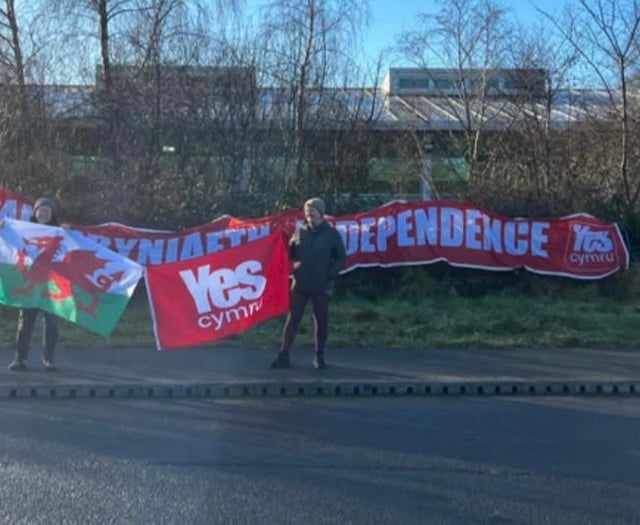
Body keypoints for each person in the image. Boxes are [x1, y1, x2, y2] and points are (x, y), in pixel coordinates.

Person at [271, 197, 347, 370]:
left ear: (320, 213)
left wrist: (329, 274)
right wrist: (281, 241)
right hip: (301, 282)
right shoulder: (300, 232)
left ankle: (319, 356)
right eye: (307, 211)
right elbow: (290, 254)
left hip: (322, 284)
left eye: (312, 210)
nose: (309, 213)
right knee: (293, 319)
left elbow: (341, 259)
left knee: (321, 320)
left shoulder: (331, 234)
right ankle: (284, 355)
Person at [8, 197, 60, 372]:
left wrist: (70, 231)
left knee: (52, 323)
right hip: (31, 282)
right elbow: (10, 240)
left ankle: (48, 360)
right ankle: (20, 359)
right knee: (25, 322)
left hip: (52, 285)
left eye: (47, 211)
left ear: (52, 214)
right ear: (35, 213)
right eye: (41, 210)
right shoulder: (24, 231)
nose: (44, 214)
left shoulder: (60, 232)